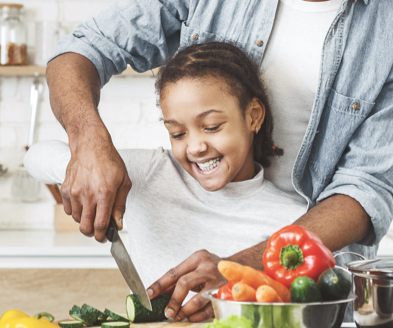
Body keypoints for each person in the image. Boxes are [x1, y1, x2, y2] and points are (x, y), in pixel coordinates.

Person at [45, 0, 393, 322]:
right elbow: (83, 51)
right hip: (195, 281)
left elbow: (366, 190)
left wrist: (242, 268)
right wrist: (87, 141)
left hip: (307, 288)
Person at [25, 43, 307, 288]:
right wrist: (92, 166)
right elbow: (35, 157)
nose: (195, 147)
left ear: (253, 116)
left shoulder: (293, 219)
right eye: (178, 134)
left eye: (211, 127)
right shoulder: (152, 173)